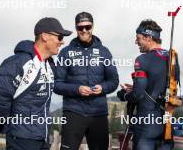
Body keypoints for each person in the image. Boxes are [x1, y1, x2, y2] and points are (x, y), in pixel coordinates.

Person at [0, 17, 72, 150]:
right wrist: (12, 125)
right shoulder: (17, 62)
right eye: (59, 37)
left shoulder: (50, 65)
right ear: (44, 36)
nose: (62, 42)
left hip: (42, 138)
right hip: (20, 140)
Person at [54, 12, 119, 150]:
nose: (84, 30)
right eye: (80, 27)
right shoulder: (65, 52)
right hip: (73, 112)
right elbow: (56, 84)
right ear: (76, 28)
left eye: (87, 27)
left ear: (92, 27)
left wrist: (102, 87)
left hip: (98, 113)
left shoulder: (104, 52)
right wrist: (77, 89)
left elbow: (114, 81)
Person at [117, 19, 172, 150]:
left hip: (146, 125)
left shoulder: (142, 59)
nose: (136, 42)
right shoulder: (172, 58)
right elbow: (161, 85)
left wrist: (124, 95)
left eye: (138, 38)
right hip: (167, 124)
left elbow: (137, 94)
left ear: (148, 37)